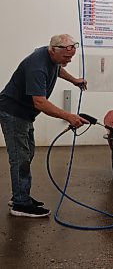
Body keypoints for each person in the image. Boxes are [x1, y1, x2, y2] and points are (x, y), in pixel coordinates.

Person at [0, 34, 89, 218]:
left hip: (25, 114)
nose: (68, 61)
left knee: (28, 152)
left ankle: (20, 195)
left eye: (71, 57)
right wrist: (69, 116)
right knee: (20, 157)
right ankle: (20, 204)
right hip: (13, 112)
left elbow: (58, 69)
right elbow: (40, 102)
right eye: (66, 57)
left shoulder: (52, 57)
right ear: (53, 50)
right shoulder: (37, 67)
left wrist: (75, 80)